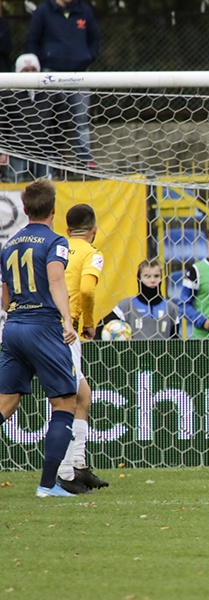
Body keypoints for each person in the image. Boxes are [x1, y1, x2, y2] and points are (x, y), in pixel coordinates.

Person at [0, 179, 80, 497]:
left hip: (14, 326)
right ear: (54, 209)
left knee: (5, 403)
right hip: (43, 326)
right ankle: (47, 487)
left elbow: (5, 300)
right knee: (64, 403)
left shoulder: (9, 244)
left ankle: (49, 486)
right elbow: (56, 278)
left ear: (24, 208)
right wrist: (67, 318)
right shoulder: (55, 241)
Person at [55, 203, 108, 493]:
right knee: (67, 398)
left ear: (67, 230)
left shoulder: (58, 248)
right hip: (68, 331)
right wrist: (89, 322)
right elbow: (87, 290)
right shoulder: (92, 253)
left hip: (46, 325)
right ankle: (64, 474)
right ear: (94, 231)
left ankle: (78, 464)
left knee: (82, 395)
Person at [25, 0, 100, 169]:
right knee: (49, 119)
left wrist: (88, 56)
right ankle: (52, 161)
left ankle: (84, 162)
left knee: (81, 120)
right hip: (50, 74)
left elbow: (94, 38)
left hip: (80, 74)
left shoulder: (84, 10)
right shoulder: (43, 11)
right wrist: (39, 63)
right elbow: (32, 40)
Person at [0, 54, 58, 182]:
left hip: (44, 152)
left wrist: (56, 150)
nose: (30, 73)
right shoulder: (8, 94)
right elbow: (3, 125)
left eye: (33, 69)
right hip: (17, 152)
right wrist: (3, 151)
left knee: (44, 190)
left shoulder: (50, 94)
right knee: (15, 187)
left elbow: (58, 123)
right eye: (25, 70)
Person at [106, 259, 181, 340]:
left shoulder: (171, 308)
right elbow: (102, 329)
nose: (152, 280)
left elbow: (175, 343)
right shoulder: (126, 306)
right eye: (147, 276)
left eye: (156, 276)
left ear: (161, 278)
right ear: (139, 278)